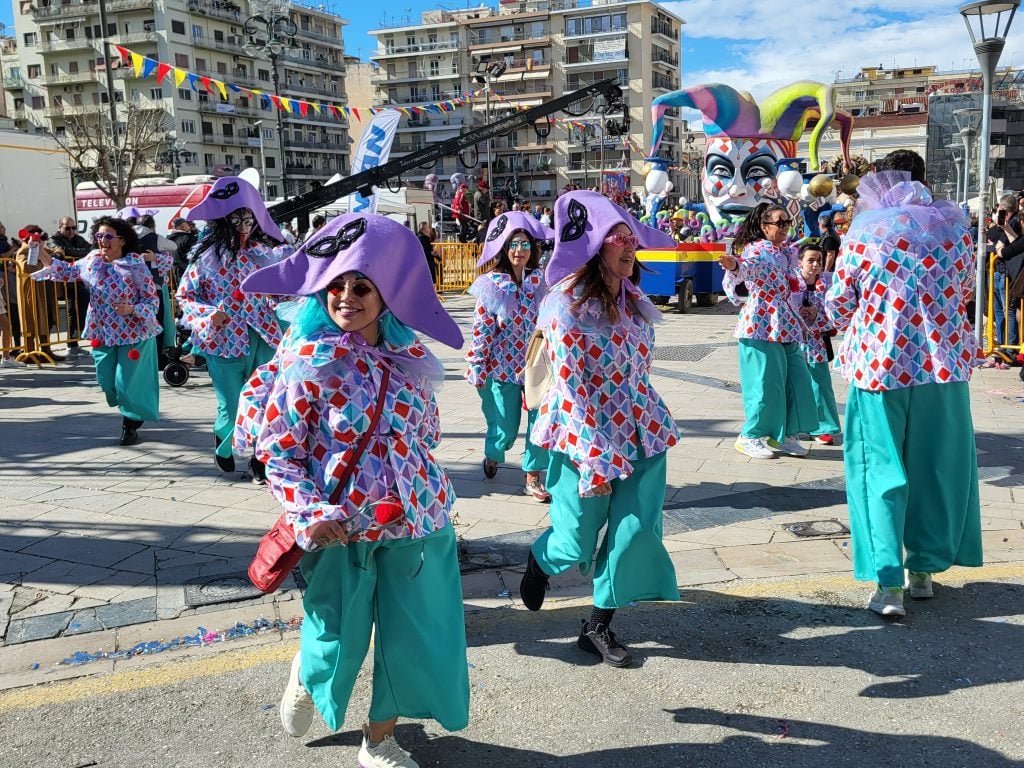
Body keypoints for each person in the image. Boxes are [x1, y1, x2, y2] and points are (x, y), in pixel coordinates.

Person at [238, 213, 468, 768]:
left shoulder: (412, 362)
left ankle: (379, 738)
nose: (347, 296)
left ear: (386, 296)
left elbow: (427, 436)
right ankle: (307, 674)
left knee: (415, 639)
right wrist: (310, 513)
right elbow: (280, 453)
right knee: (336, 639)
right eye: (335, 285)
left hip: (418, 521)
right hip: (341, 529)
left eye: (362, 286)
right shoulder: (308, 363)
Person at [519, 191, 680, 668]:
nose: (630, 248)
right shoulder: (564, 305)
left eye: (632, 239)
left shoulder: (635, 302)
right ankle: (540, 560)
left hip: (642, 431)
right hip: (581, 436)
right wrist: (595, 456)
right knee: (574, 542)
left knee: (635, 533)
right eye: (618, 239)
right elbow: (569, 388)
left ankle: (598, 625)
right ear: (592, 248)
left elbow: (639, 370)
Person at [824, 150, 981, 619]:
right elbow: (965, 291)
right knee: (935, 468)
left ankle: (887, 583)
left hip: (881, 364)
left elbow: (840, 303)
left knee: (879, 471)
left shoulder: (865, 232)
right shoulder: (954, 229)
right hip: (942, 366)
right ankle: (924, 571)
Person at [177, 176, 291, 478]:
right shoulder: (205, 259)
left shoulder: (263, 254)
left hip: (263, 335)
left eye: (249, 220)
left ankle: (259, 459)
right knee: (231, 404)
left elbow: (281, 290)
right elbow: (185, 296)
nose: (243, 226)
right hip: (223, 340)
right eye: (237, 220)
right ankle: (224, 438)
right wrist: (208, 315)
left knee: (265, 399)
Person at [31, 216, 160, 445]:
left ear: (122, 240)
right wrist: (41, 251)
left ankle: (130, 423)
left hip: (133, 333)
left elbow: (152, 301)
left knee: (126, 382)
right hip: (102, 332)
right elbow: (65, 271)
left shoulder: (135, 264)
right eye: (99, 235)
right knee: (106, 380)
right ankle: (130, 407)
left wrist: (132, 308)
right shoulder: (92, 260)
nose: (103, 240)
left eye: (109, 236)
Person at [465, 211, 553, 502]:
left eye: (525, 244)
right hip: (503, 368)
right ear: (504, 248)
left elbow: (553, 319)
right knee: (505, 427)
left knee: (540, 422)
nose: (519, 250)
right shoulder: (491, 284)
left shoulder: (541, 281)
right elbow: (482, 329)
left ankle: (533, 477)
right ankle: (493, 452)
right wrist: (477, 364)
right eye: (513, 244)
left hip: (537, 366)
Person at [719, 203, 818, 459]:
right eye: (779, 223)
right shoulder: (759, 250)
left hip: (786, 323)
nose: (785, 227)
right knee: (765, 384)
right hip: (761, 324)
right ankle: (750, 435)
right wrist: (734, 266)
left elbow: (795, 283)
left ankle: (786, 434)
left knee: (798, 380)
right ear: (765, 227)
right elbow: (747, 267)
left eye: (787, 222)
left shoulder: (785, 253)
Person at [792, 243, 840, 444]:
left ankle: (823, 427)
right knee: (792, 383)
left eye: (818, 260)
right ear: (800, 262)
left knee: (820, 385)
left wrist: (816, 316)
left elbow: (836, 317)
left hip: (816, 343)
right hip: (793, 341)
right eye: (810, 260)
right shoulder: (791, 283)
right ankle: (791, 427)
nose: (815, 264)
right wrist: (798, 313)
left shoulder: (827, 286)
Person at [14, 225, 63, 363]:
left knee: (45, 319)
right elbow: (27, 267)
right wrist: (46, 262)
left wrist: (54, 256)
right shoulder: (23, 250)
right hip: (30, 292)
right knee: (30, 322)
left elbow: (59, 251)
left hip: (43, 290)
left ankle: (46, 351)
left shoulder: (40, 248)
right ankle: (30, 353)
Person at [47, 217, 92, 351]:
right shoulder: (53, 238)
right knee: (72, 308)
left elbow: (89, 250)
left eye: (73, 228)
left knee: (82, 304)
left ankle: (75, 338)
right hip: (61, 280)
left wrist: (73, 251)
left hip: (78, 277)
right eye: (67, 228)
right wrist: (76, 252)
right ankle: (71, 342)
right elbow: (62, 250)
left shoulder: (78, 239)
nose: (71, 231)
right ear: (60, 227)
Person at [989, 194, 1021, 348]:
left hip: (1006, 273)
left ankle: (1010, 346)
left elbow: (1002, 246)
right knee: (1000, 311)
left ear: (1003, 209)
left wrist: (999, 243)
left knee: (1007, 310)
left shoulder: (1013, 222)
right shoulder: (1008, 223)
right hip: (1000, 271)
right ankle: (1003, 344)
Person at [417, 221, 438, 287]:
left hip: (422, 262)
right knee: (429, 279)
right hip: (427, 262)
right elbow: (426, 250)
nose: (429, 229)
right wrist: (432, 253)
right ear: (425, 228)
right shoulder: (424, 238)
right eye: (428, 227)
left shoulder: (418, 236)